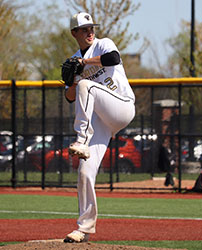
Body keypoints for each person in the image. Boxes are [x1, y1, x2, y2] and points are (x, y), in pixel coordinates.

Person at [63, 12, 136, 243]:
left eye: (91, 28)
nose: (89, 32)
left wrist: (84, 64)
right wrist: (69, 80)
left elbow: (113, 58)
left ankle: (81, 140)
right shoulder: (75, 59)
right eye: (84, 29)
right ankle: (83, 229)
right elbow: (70, 98)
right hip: (101, 121)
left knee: (88, 85)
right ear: (74, 33)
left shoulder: (103, 44)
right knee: (84, 172)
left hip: (122, 106)